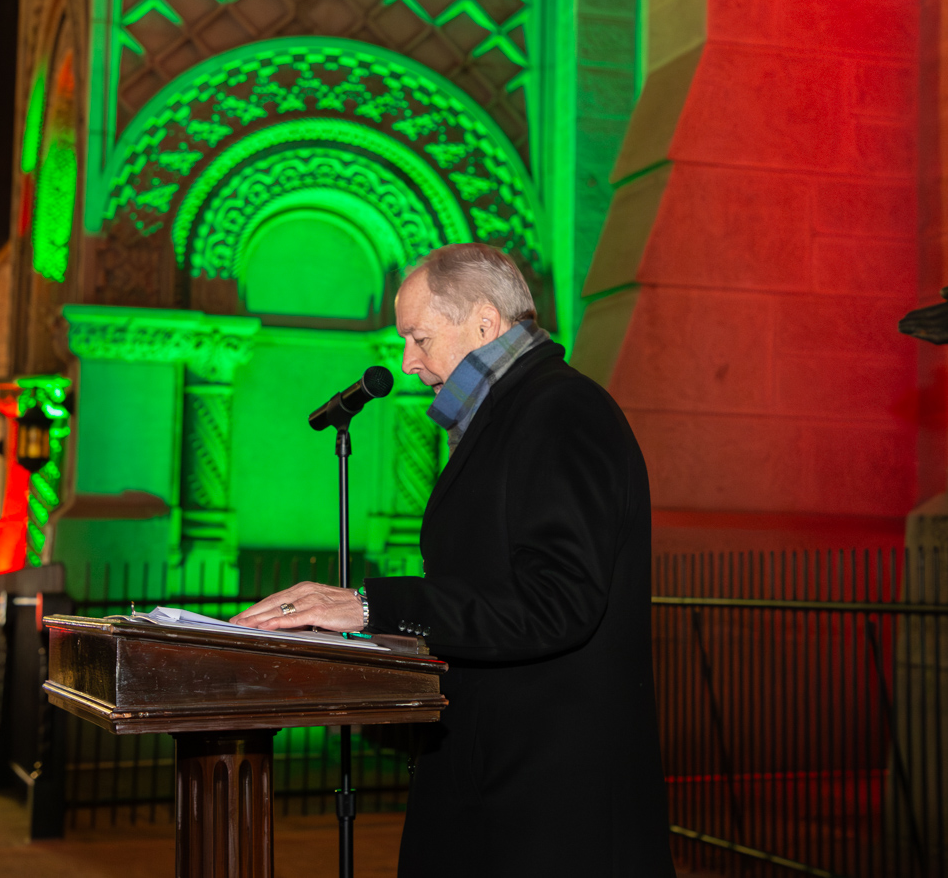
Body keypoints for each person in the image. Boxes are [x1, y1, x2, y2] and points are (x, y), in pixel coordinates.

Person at [232, 244, 674, 875]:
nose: (409, 363)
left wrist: (369, 604)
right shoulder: (510, 414)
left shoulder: (561, 410)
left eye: (418, 338)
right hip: (491, 778)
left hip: (548, 804)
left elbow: (559, 603)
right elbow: (483, 593)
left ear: (486, 324)